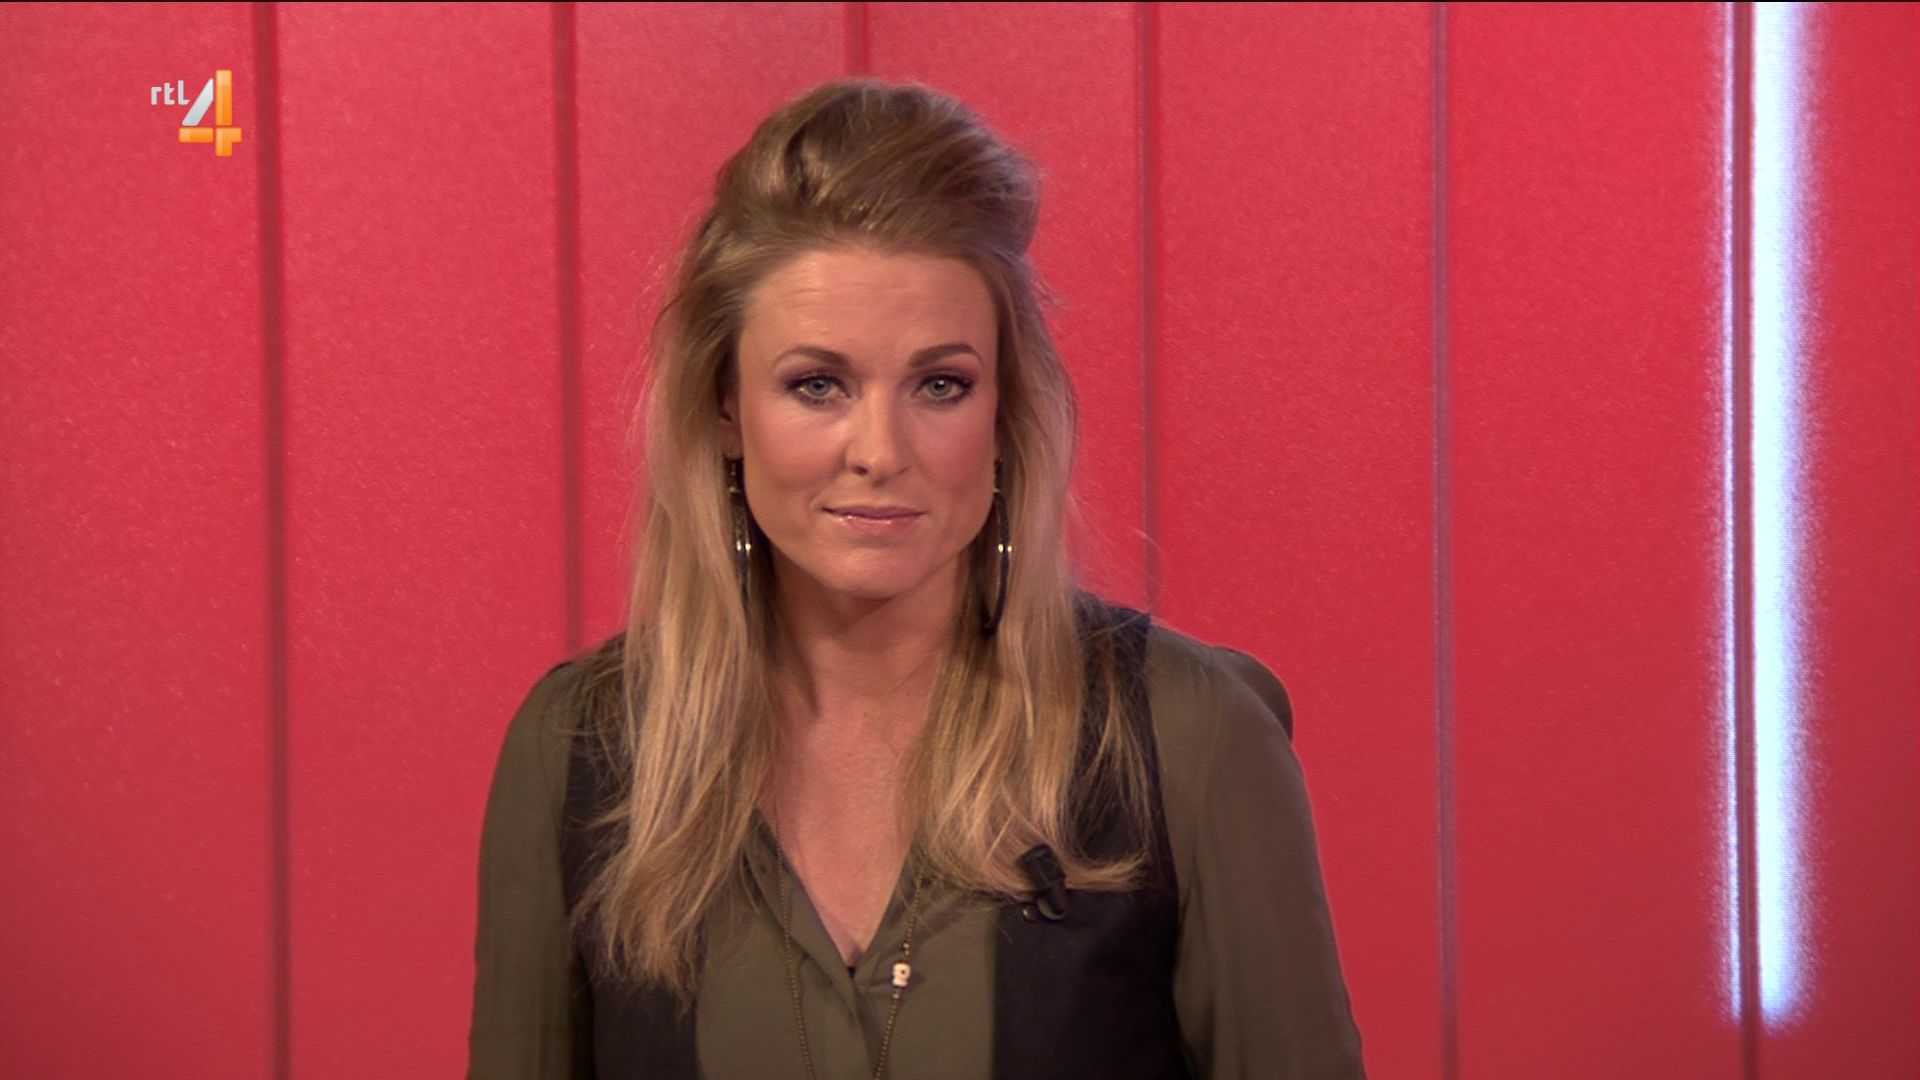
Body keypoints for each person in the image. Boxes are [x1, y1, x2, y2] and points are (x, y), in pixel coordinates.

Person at [468, 77, 1363, 1079]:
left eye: (941, 384)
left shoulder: (1189, 740)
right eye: (818, 385)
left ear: (1003, 410)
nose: (881, 451)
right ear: (726, 410)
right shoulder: (578, 753)